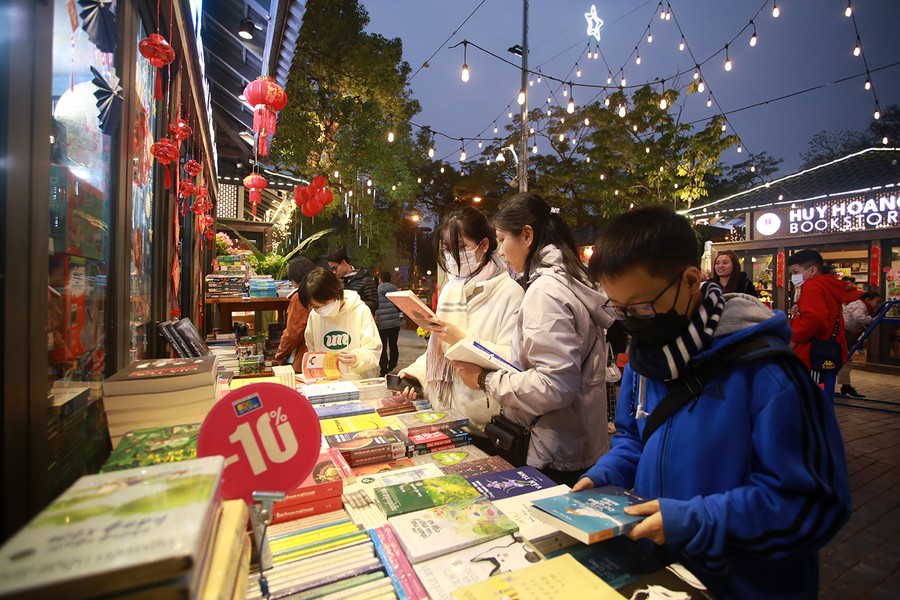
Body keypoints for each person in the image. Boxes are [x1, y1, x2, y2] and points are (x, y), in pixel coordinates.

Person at [575, 206, 850, 599]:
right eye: (619, 310)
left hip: (743, 585)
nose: (632, 322)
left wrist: (697, 519)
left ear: (690, 280)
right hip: (663, 577)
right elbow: (634, 439)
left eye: (642, 307)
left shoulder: (770, 375)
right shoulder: (648, 360)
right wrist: (606, 475)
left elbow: (813, 505)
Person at [450, 193, 613, 486]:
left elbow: (554, 385)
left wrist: (485, 380)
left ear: (527, 235)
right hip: (578, 439)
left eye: (502, 239)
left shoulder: (545, 291)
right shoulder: (571, 278)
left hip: (552, 448)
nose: (500, 251)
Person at [398, 207, 524, 446]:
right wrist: (415, 375)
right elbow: (436, 352)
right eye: (446, 250)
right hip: (443, 414)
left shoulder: (510, 292)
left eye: (461, 248)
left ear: (484, 245)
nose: (452, 257)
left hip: (484, 423)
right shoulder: (451, 289)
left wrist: (462, 341)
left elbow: (514, 360)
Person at [300, 267, 382, 380]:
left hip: (358, 384)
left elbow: (373, 351)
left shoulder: (360, 311)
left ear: (336, 292)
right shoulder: (315, 316)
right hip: (327, 385)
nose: (320, 310)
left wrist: (357, 358)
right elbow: (312, 349)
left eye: (324, 303)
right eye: (315, 307)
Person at [786, 249, 848, 391]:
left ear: (812, 270)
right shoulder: (828, 285)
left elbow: (815, 317)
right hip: (829, 350)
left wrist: (794, 338)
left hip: (812, 353)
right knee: (823, 398)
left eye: (795, 272)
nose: (793, 277)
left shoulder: (812, 286)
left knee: (810, 400)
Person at [837, 291, 883, 398]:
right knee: (843, 359)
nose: (878, 305)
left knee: (845, 360)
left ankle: (845, 385)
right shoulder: (859, 305)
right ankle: (838, 385)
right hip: (844, 333)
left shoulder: (862, 306)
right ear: (867, 300)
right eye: (877, 302)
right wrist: (871, 320)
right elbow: (859, 318)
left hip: (847, 333)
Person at [273, 257, 316, 372]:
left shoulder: (299, 297)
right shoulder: (317, 292)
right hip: (318, 355)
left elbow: (293, 332)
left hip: (303, 357)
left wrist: (280, 354)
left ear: (294, 277)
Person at [326, 249, 379, 315]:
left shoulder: (365, 279)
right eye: (331, 269)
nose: (334, 272)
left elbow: (374, 304)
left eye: (335, 268)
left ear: (343, 262)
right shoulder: (335, 282)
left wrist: (352, 303)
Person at [375, 271, 402, 376]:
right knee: (393, 344)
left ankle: (383, 369)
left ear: (380, 280)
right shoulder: (396, 290)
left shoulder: (376, 291)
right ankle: (392, 364)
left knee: (383, 346)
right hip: (394, 323)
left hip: (382, 324)